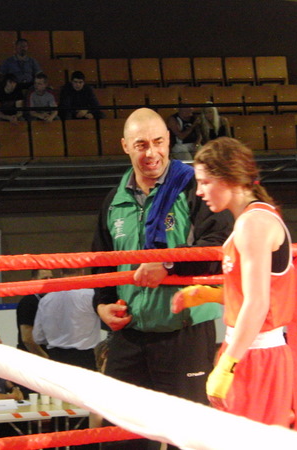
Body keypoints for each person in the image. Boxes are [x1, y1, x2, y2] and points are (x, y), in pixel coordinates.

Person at [91, 108, 233, 450]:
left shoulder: (196, 187)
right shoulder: (114, 200)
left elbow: (219, 247)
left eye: (158, 142)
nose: (151, 152)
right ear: (126, 146)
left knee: (192, 439)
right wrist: (102, 306)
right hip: (130, 336)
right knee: (121, 440)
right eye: (141, 145)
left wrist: (168, 265)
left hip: (184, 334)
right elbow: (102, 263)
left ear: (169, 141)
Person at [171, 137, 297, 429]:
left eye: (205, 182)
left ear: (228, 178)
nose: (199, 191)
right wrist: (211, 295)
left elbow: (258, 304)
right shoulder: (251, 219)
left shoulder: (252, 224)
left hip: (256, 354)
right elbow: (256, 292)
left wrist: (227, 364)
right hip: (250, 351)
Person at [33, 268, 101, 371]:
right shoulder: (92, 296)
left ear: (61, 273)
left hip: (56, 357)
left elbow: (38, 336)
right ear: (82, 272)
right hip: (86, 358)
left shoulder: (46, 299)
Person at [16, 269, 54, 358]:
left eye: (51, 278)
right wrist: (44, 358)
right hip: (32, 356)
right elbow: (27, 339)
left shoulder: (52, 300)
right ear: (34, 281)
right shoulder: (29, 302)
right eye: (45, 278)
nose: (49, 281)